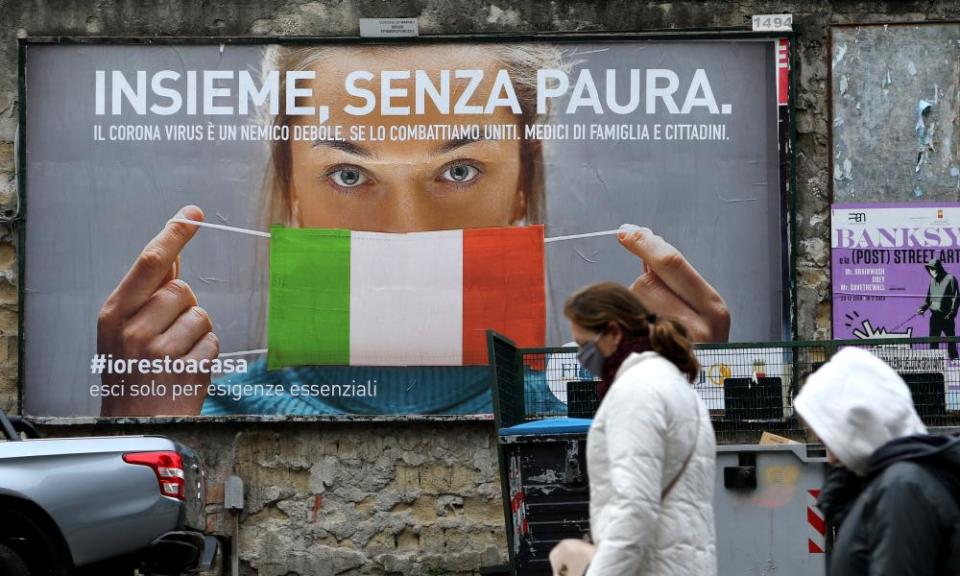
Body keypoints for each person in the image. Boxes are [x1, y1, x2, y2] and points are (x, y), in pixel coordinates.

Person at [96, 44, 730, 416]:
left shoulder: (580, 415)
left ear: (520, 187)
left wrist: (670, 403)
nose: (405, 233)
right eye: (348, 174)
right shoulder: (193, 407)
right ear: (291, 194)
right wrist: (140, 427)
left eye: (459, 170)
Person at [550, 282, 717, 576]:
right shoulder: (675, 385)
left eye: (583, 344)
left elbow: (634, 507)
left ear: (614, 333)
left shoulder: (635, 392)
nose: (581, 356)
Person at [794, 347, 960, 575]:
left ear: (856, 426)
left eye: (827, 435)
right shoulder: (889, 483)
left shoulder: (903, 488)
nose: (826, 449)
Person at [918, 258, 960, 360]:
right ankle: (934, 360)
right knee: (933, 341)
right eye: (929, 269)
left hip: (947, 317)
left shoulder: (950, 279)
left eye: (933, 269)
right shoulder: (932, 282)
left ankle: (954, 360)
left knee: (951, 340)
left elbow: (956, 299)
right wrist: (922, 308)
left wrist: (951, 315)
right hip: (935, 317)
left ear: (939, 268)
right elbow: (928, 300)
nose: (931, 272)